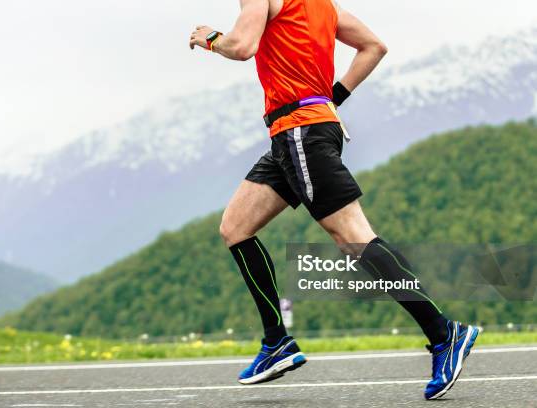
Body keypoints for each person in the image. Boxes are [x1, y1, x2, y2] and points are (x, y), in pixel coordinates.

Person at [190, 0, 479, 400]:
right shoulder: (321, 4)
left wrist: (211, 39)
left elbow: (241, 46)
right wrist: (331, 98)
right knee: (235, 228)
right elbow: (374, 47)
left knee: (354, 237)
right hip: (294, 134)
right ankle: (276, 342)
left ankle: (445, 333)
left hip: (301, 134)